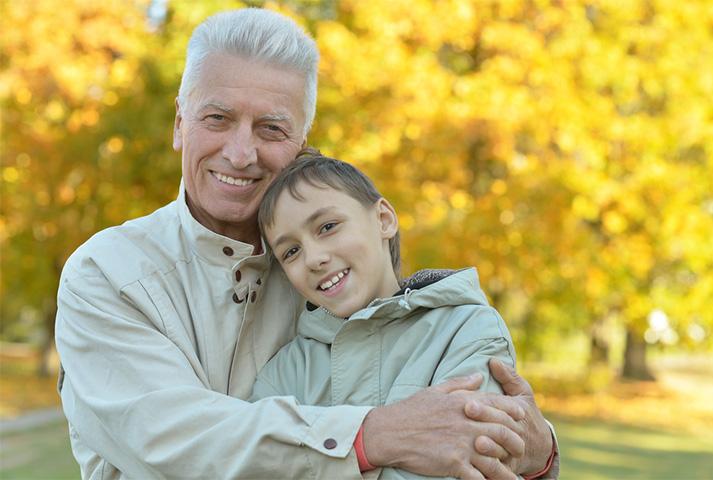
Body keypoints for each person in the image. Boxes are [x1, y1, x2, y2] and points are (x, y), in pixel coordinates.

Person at [54, 8, 558, 480]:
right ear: (180, 123)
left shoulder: (337, 275)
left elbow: (449, 426)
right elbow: (172, 440)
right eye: (217, 118)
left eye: (271, 128)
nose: (241, 152)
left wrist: (536, 452)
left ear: (301, 143)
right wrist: (373, 436)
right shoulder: (105, 274)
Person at [251, 150, 526, 480]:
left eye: (327, 226)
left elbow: (468, 459)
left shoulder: (465, 330)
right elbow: (258, 466)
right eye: (290, 251)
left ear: (383, 219)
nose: (313, 258)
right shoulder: (286, 370)